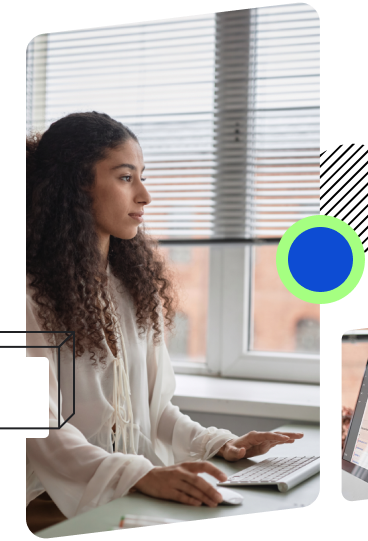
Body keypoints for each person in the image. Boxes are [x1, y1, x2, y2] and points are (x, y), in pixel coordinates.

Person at [26, 111, 303, 520]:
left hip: (120, 494)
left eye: (142, 175)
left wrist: (220, 443)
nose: (145, 195)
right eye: (125, 178)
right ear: (75, 185)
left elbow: (152, 412)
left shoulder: (132, 287)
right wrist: (137, 475)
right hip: (37, 503)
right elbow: (28, 426)